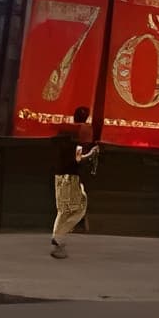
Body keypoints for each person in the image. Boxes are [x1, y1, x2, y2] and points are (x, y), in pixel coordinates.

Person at [50, 105, 99, 259]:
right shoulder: (81, 133)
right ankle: (58, 237)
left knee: (63, 210)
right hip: (71, 176)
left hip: (59, 175)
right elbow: (78, 159)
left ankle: (58, 240)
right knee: (80, 208)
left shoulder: (64, 131)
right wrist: (91, 153)